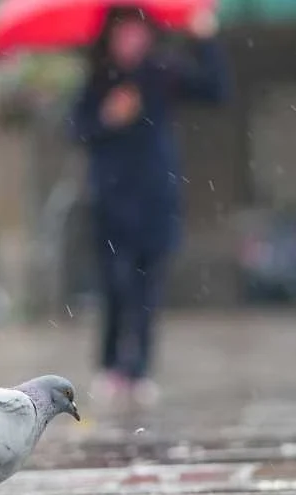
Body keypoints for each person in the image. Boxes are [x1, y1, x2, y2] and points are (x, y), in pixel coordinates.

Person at [69, 6, 229, 406]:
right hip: (110, 200)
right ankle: (109, 365)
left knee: (147, 286)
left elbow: (215, 90)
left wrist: (204, 39)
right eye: (123, 33)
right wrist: (108, 118)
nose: (131, 41)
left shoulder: (164, 72)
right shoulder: (96, 78)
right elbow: (77, 130)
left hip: (156, 196)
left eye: (137, 32)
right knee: (114, 285)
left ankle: (138, 369)